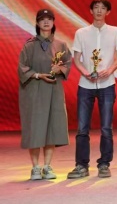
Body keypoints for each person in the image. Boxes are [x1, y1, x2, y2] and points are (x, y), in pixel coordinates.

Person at [68, 0, 117, 179]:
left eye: (103, 8)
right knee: (82, 127)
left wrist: (109, 70)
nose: (99, 11)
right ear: (91, 11)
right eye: (96, 7)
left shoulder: (116, 31)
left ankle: (104, 164)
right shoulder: (81, 33)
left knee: (106, 127)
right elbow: (77, 58)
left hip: (107, 84)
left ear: (108, 12)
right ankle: (81, 165)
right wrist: (85, 72)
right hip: (86, 85)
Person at [18, 9, 72, 181]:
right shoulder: (29, 45)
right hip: (34, 91)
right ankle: (35, 167)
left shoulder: (61, 45)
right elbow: (22, 68)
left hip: (54, 90)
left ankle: (47, 166)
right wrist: (38, 75)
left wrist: (59, 69)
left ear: (53, 22)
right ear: (37, 23)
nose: (46, 22)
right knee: (35, 128)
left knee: (51, 127)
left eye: (49, 19)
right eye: (42, 19)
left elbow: (68, 63)